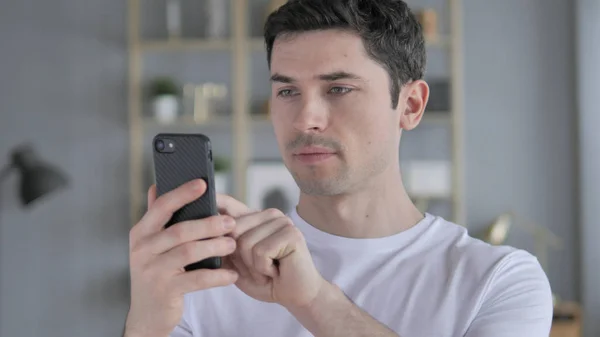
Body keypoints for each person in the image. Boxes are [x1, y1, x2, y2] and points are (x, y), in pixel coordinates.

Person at [124, 0, 553, 336]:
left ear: (411, 105)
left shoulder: (498, 282)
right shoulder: (208, 279)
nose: (306, 118)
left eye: (339, 88)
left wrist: (312, 300)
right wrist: (144, 326)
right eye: (288, 91)